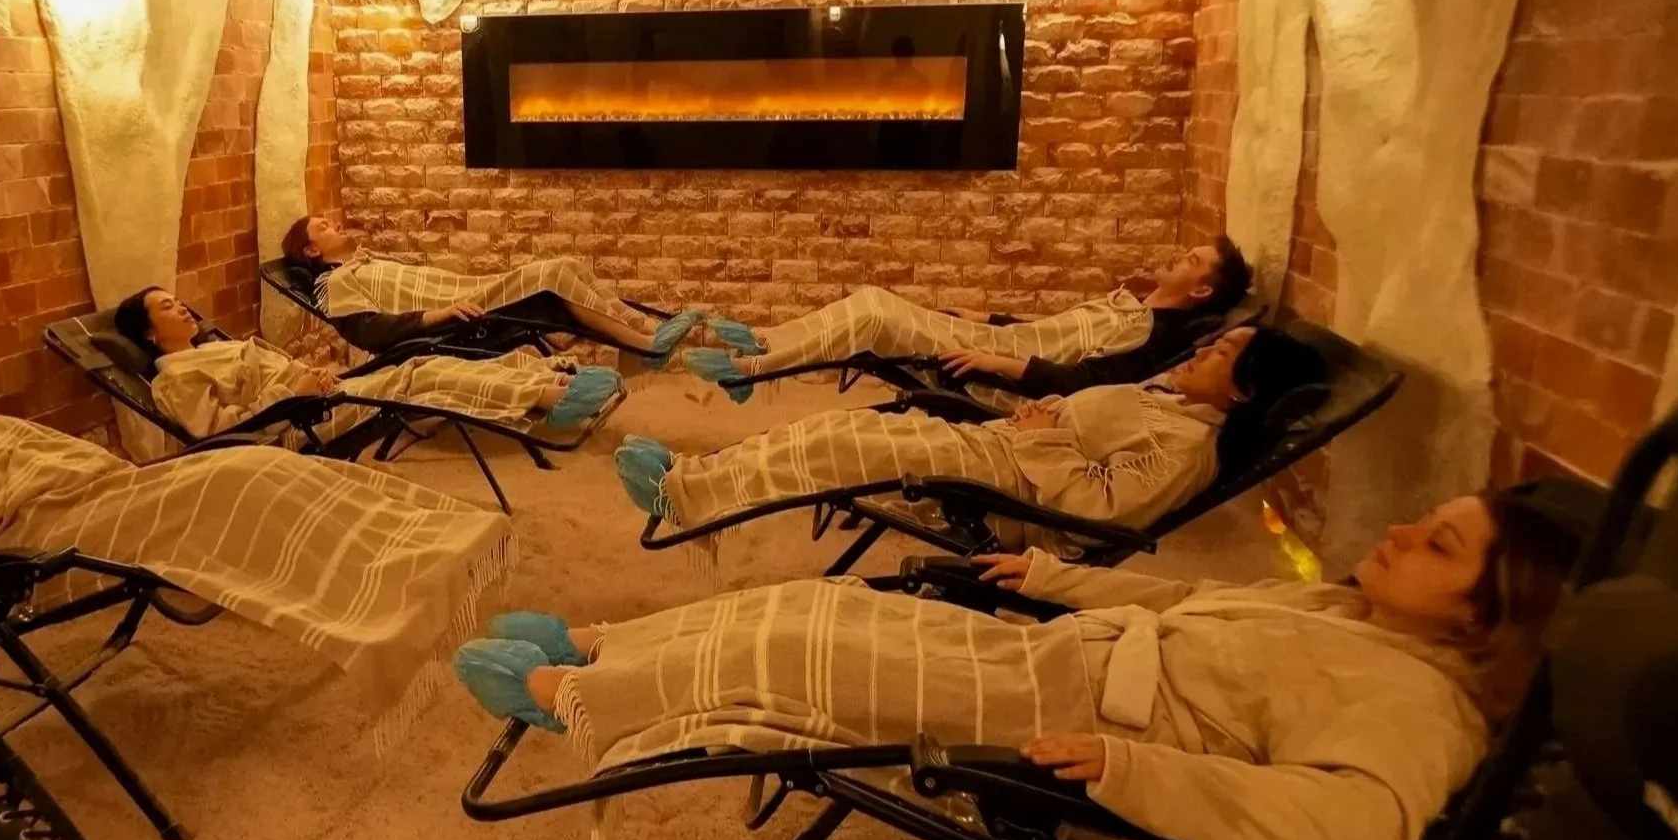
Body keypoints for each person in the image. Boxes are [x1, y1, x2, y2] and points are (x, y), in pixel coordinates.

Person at [448, 480, 1592, 840]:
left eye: (1437, 546)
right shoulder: (1346, 611)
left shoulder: (1420, 708)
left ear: (1494, 620)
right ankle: (609, 647)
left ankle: (569, 703)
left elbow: (1365, 831)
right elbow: (1177, 601)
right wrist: (1049, 572)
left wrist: (1133, 771)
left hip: (1082, 716)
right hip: (1063, 659)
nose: (1398, 533)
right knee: (823, 603)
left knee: (801, 661)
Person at [0, 337, 511, 736]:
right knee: (241, 474)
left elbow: (44, 455)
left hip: (92, 497)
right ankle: (391, 598)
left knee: (249, 467)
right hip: (35, 546)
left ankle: (423, 559)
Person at [615, 326, 1324, 561]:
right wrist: (1051, 413)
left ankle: (688, 497)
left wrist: (1046, 438)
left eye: (1223, 351)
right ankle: (694, 474)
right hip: (1005, 451)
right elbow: (1086, 428)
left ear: (1244, 392)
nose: (1204, 349)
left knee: (851, 453)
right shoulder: (1172, 402)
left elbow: (1099, 513)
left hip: (1015, 496)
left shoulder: (1187, 451)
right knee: (845, 427)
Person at [687, 237, 1255, 404]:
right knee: (871, 299)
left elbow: (1092, 387)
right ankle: (764, 345)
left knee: (872, 313)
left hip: (1003, 374)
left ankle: (751, 366)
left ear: (1202, 288)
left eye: (1192, 261)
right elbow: (1055, 328)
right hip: (992, 337)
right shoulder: (1133, 305)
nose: (1178, 255)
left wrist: (996, 360)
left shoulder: (1149, 333)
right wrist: (987, 315)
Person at [113, 287, 622, 447]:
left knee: (422, 362)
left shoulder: (210, 347)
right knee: (416, 379)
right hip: (293, 425)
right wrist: (292, 393)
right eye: (166, 307)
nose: (182, 307)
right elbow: (219, 431)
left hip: (317, 396)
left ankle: (546, 383)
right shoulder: (174, 379)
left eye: (178, 300)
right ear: (150, 334)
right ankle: (551, 398)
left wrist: (307, 375)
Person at [281, 215, 706, 365]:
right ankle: (644, 344)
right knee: (551, 275)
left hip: (470, 290)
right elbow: (368, 332)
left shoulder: (360, 263)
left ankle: (644, 328)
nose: (334, 224)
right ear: (312, 249)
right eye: (323, 227)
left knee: (565, 264)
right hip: (458, 314)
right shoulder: (334, 283)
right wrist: (439, 316)